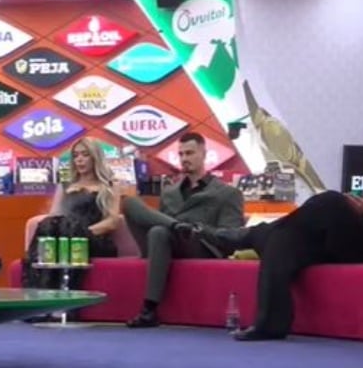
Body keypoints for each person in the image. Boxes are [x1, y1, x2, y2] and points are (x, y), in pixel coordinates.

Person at [205, 120, 363, 341]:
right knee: (283, 239)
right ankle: (269, 324)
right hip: (353, 246)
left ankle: (251, 234)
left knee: (331, 200)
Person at [123, 133, 246, 328]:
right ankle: (175, 225)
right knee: (130, 203)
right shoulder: (169, 192)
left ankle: (149, 309)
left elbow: (231, 239)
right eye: (181, 154)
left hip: (200, 246)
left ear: (204, 154)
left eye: (189, 153)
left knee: (159, 232)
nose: (184, 158)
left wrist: (199, 229)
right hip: (164, 243)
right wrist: (174, 225)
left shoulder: (228, 193)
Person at [22, 137, 125, 293]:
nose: (79, 160)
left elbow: (112, 222)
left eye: (85, 155)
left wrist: (79, 233)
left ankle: (66, 293)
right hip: (66, 236)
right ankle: (38, 290)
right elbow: (55, 216)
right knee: (48, 225)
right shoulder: (66, 185)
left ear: (95, 157)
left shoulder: (110, 185)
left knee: (69, 231)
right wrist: (66, 233)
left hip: (94, 239)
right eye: (76, 156)